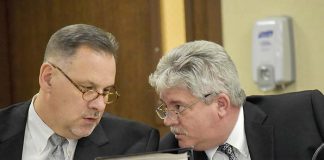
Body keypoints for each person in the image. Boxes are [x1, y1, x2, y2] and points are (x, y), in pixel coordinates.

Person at [0, 24, 159, 160]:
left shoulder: (133, 145)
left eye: (106, 91)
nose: (100, 105)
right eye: (88, 89)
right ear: (48, 78)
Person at [149, 40, 324, 160]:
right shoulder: (168, 153)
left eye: (178, 107)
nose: (167, 120)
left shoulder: (307, 114)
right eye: (165, 107)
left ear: (221, 104)